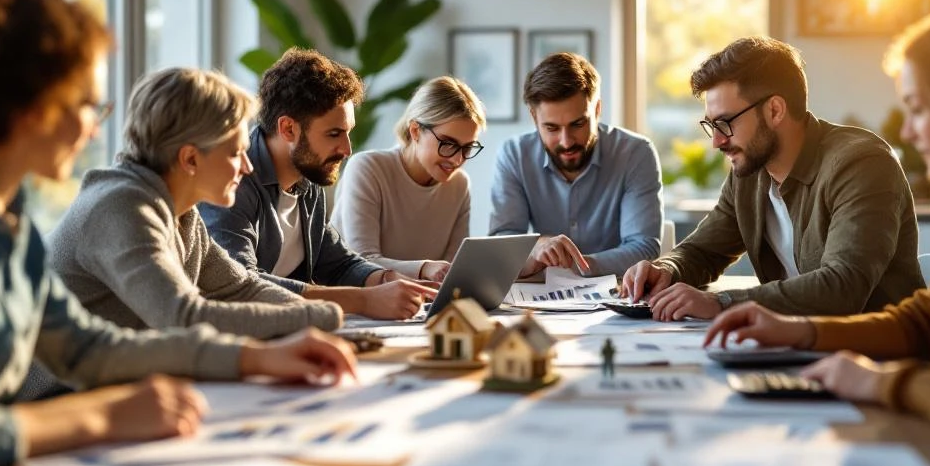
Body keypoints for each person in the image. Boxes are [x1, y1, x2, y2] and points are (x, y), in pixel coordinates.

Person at [0, 0, 356, 466]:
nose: (93, 127)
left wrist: (259, 356)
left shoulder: (8, 217)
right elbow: (176, 320)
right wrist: (101, 418)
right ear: (31, 110)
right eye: (88, 103)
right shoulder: (116, 204)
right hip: (38, 429)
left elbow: (86, 346)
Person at [704, 2, 930, 434]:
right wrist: (800, 332)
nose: (909, 132)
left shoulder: (858, 161)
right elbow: (927, 321)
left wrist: (881, 383)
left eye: (918, 108)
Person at [622, 36, 924, 320]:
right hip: (795, 346)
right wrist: (665, 269)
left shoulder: (860, 164)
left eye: (725, 123)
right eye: (710, 125)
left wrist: (722, 303)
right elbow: (703, 251)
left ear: (775, 110)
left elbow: (842, 286)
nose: (716, 141)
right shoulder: (750, 172)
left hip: (875, 357)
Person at [49, 67, 342, 339]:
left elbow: (239, 288)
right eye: (235, 153)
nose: (247, 166)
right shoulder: (120, 207)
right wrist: (319, 317)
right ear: (190, 158)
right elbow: (183, 316)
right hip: (56, 394)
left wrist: (315, 318)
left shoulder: (183, 214)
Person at [198, 48, 436, 320]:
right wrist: (364, 300)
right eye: (334, 133)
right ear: (288, 129)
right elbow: (241, 283)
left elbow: (338, 263)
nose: (347, 149)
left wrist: (388, 280)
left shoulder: (307, 178)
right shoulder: (232, 181)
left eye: (348, 133)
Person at [489, 52, 663, 278]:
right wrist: (538, 245)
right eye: (551, 128)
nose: (566, 141)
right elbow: (502, 240)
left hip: (616, 293)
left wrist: (576, 265)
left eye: (578, 124)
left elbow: (644, 248)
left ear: (597, 110)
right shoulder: (514, 155)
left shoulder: (636, 153)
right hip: (541, 299)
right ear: (534, 118)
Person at [329, 77, 486, 283]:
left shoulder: (459, 185)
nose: (458, 159)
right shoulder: (368, 168)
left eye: (467, 147)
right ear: (415, 131)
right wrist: (425, 268)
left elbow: (451, 269)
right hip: (356, 302)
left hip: (419, 306)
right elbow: (362, 262)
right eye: (448, 143)